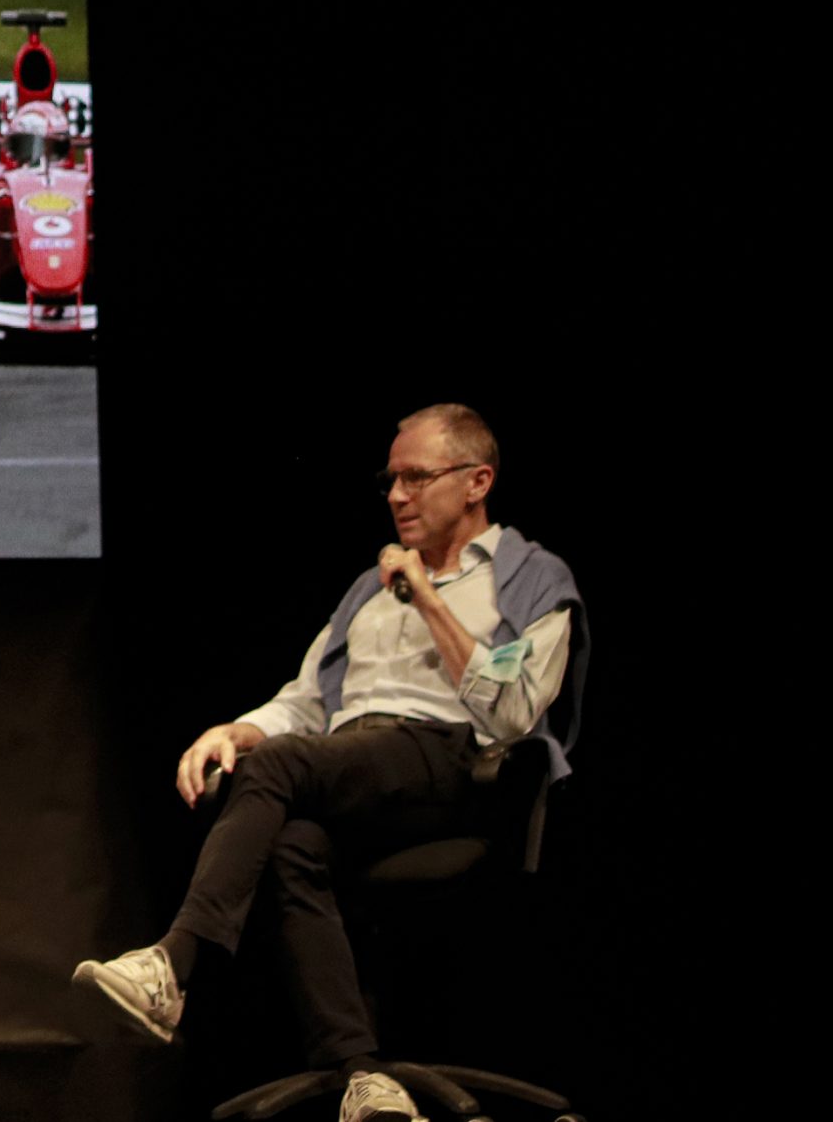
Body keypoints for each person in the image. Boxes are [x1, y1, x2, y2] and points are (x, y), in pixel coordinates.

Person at [72, 405, 585, 1122]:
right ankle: (362, 1071)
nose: (397, 495)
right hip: (354, 769)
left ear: (477, 482)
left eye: (416, 477)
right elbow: (309, 700)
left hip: (454, 766)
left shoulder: (530, 577)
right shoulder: (367, 590)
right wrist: (237, 730)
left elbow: (513, 709)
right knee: (291, 841)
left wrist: (427, 597)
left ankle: (174, 964)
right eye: (390, 480)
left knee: (284, 767)